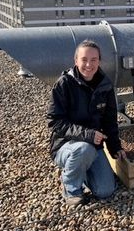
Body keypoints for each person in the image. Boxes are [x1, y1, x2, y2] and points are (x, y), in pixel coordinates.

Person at [47, 39, 126, 206]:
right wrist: (88, 135)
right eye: (84, 59)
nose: (88, 65)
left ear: (99, 61)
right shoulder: (64, 84)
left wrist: (115, 148)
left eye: (93, 60)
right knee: (83, 149)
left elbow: (110, 121)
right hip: (66, 145)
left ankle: (80, 170)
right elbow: (55, 121)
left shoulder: (105, 85)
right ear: (76, 60)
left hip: (92, 146)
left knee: (105, 191)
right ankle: (71, 189)